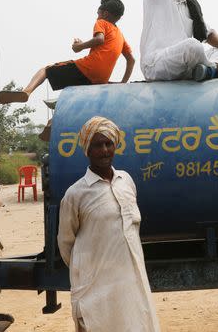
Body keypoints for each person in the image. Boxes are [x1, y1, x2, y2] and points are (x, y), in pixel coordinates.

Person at [57, 116, 160, 332]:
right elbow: (66, 244)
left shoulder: (126, 181)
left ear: (115, 145)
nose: (104, 150)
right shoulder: (76, 194)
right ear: (87, 150)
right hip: (96, 290)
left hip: (130, 283)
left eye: (108, 143)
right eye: (97, 145)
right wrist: (90, 270)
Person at [0, 0, 134, 104]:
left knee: (45, 70)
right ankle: (51, 124)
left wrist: (79, 46)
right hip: (101, 79)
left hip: (88, 68)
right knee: (72, 96)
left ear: (104, 13)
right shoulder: (120, 36)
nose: (97, 16)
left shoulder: (102, 22)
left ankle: (26, 92)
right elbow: (131, 60)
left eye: (98, 13)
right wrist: (123, 83)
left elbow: (99, 39)